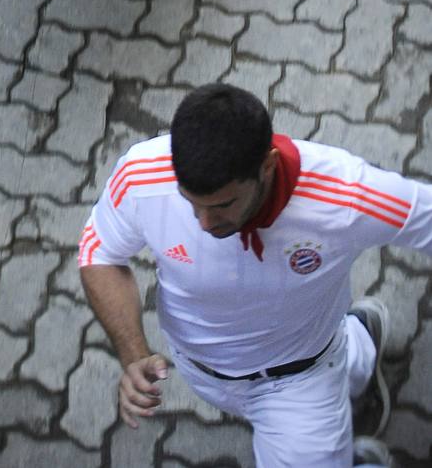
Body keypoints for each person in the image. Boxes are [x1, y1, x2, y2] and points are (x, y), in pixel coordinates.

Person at [78, 83, 432, 468]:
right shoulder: (142, 174)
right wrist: (133, 354)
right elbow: (100, 252)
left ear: (267, 165)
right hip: (197, 368)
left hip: (299, 380)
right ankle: (361, 335)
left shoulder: (347, 196)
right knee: (344, 359)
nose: (204, 222)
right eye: (190, 202)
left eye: (223, 205)